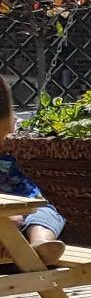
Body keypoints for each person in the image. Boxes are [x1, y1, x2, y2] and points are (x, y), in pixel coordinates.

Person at [0, 78, 65, 264]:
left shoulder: (22, 136)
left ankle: (41, 243)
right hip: (5, 211)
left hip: (29, 202)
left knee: (51, 209)